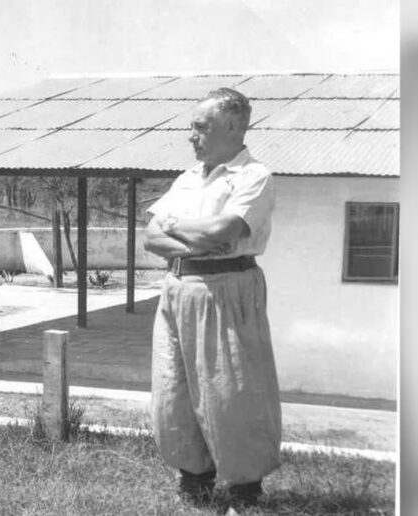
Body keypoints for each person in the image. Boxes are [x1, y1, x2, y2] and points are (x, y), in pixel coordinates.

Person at [144, 87, 281, 510]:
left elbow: (224, 231)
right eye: (193, 127)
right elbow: (151, 238)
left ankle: (245, 491)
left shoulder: (253, 176)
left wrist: (175, 226)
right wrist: (195, 238)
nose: (192, 136)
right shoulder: (188, 178)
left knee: (232, 390)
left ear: (233, 127)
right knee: (174, 388)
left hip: (227, 288)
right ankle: (195, 483)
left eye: (201, 127)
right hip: (178, 288)